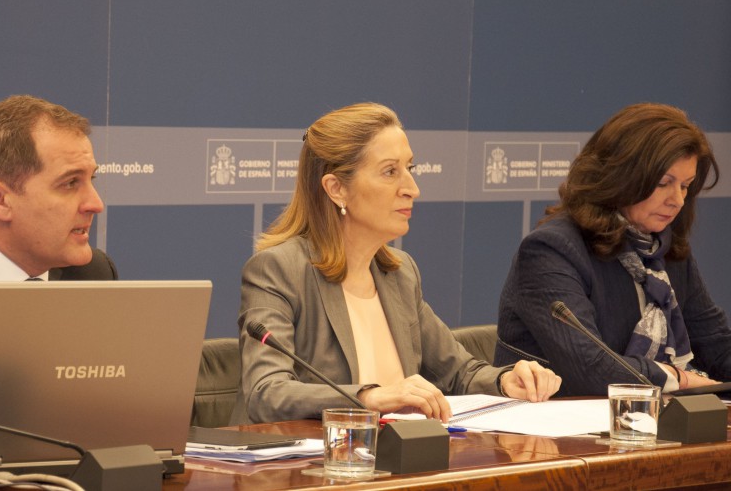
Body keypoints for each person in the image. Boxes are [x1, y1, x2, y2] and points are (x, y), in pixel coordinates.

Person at [231, 102, 560, 425]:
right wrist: (368, 397)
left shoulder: (399, 273)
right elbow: (266, 392)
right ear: (336, 189)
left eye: (410, 169)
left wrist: (506, 382)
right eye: (390, 172)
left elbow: (460, 373)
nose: (413, 189)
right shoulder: (277, 269)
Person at [495, 102, 731, 396]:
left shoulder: (667, 251)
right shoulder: (550, 251)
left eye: (685, 186)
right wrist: (675, 377)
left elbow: (717, 345)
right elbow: (591, 369)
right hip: (555, 434)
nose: (677, 200)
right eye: (663, 183)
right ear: (621, 176)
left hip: (647, 425)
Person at [0, 95, 117, 446]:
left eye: (92, 179)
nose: (95, 203)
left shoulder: (93, 273)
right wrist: (46, 418)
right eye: (70, 183)